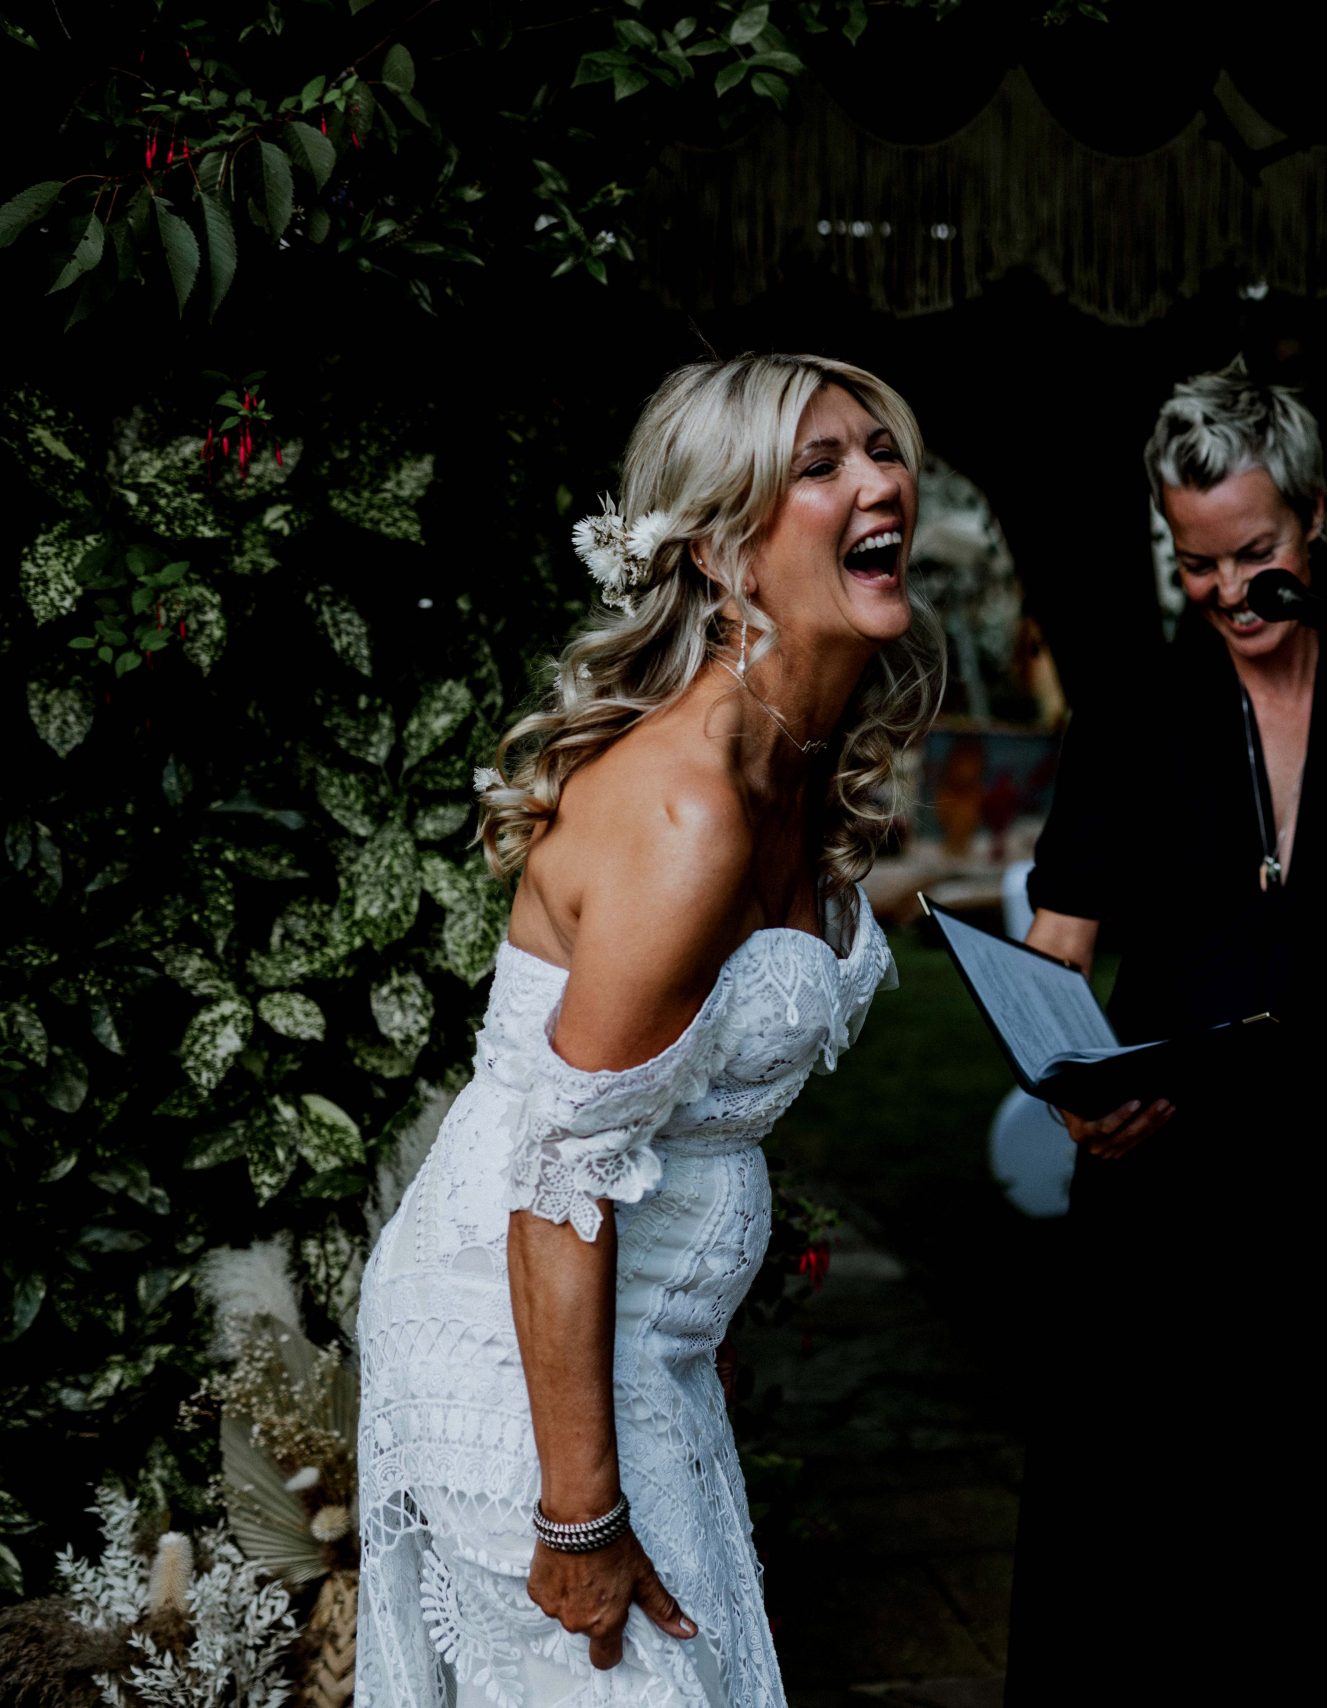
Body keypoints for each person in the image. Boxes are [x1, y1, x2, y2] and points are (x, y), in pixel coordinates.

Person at [355, 353, 946, 1708]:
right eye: (821, 466)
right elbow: (555, 1185)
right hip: (519, 1355)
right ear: (726, 552)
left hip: (642, 1359)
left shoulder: (799, 760)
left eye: (880, 449)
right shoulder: (686, 812)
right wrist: (576, 1523)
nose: (880, 483)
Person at [1001, 363, 1327, 1701]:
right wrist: (1073, 1093)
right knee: (1156, 1591)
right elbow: (1060, 947)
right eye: (1197, 567)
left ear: (1320, 517)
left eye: (1257, 555)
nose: (1232, 595)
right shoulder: (1134, 715)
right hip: (1166, 1212)